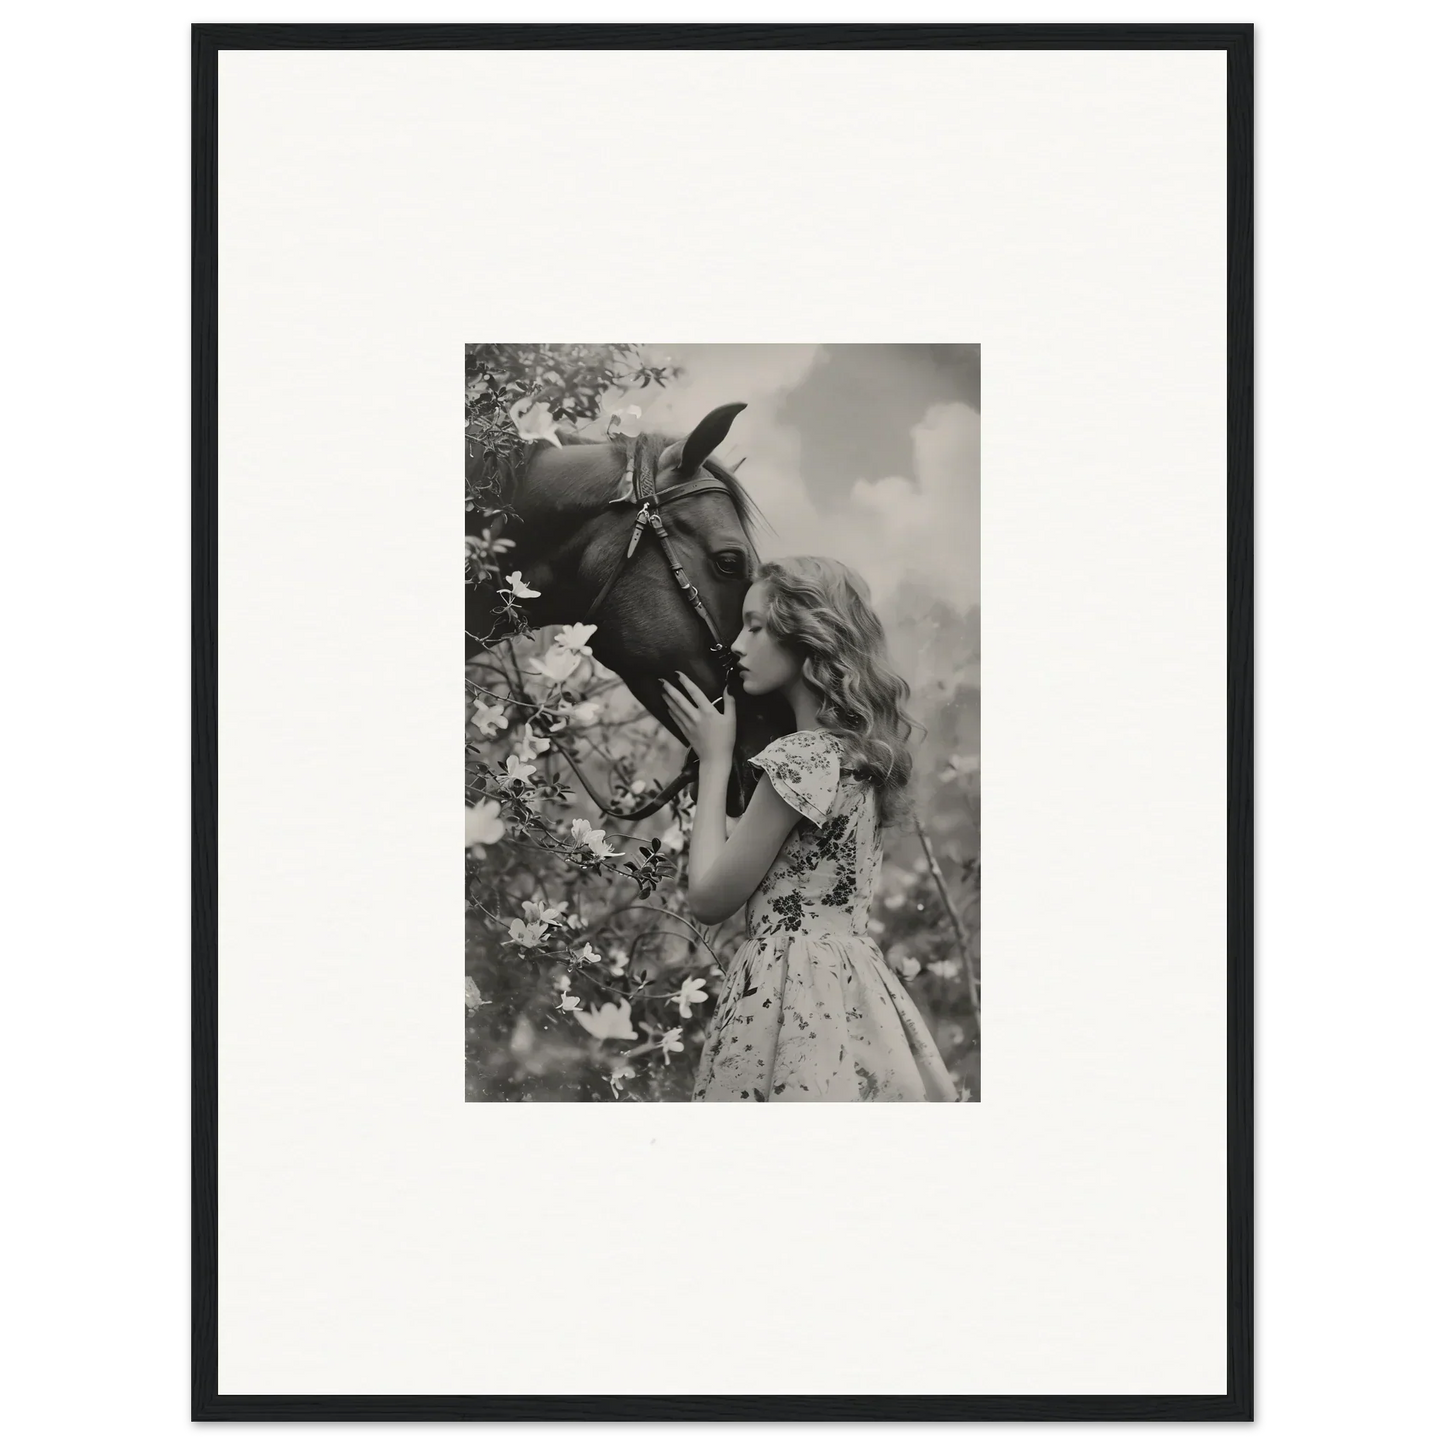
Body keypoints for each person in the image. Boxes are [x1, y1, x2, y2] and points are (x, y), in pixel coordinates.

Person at [660, 556, 959, 1102]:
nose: (736, 646)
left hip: (786, 992)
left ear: (807, 635)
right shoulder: (858, 758)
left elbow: (707, 899)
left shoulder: (799, 760)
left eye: (754, 626)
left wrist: (713, 759)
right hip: (854, 989)